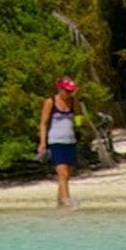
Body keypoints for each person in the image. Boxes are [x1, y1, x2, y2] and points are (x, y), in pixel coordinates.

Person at [37, 78, 84, 210]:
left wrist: (80, 124)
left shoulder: (74, 101)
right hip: (55, 141)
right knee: (63, 174)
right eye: (67, 91)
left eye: (71, 91)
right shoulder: (50, 102)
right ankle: (67, 202)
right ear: (60, 89)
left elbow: (78, 116)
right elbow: (43, 123)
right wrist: (42, 142)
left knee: (66, 175)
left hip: (70, 141)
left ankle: (59, 203)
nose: (69, 93)